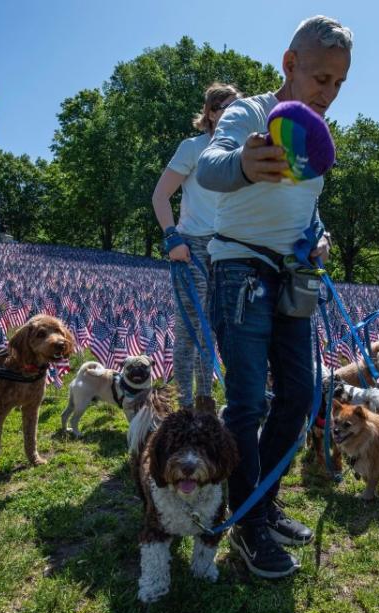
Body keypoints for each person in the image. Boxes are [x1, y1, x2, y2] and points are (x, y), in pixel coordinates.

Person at [196, 15, 351, 579]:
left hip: (293, 275)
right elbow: (211, 167)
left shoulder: (316, 134)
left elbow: (305, 208)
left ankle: (264, 498)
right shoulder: (249, 112)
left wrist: (322, 236)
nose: (329, 92)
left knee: (300, 393)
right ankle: (248, 526)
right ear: (289, 65)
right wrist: (241, 162)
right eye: (320, 78)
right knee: (247, 404)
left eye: (338, 83)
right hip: (239, 270)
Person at [152, 83, 241, 413]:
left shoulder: (242, 154)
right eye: (229, 108)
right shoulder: (192, 148)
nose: (236, 115)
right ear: (212, 113)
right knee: (190, 328)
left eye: (240, 109)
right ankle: (184, 406)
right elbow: (160, 196)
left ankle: (205, 401)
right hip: (191, 248)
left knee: (213, 330)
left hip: (228, 250)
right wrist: (172, 238)